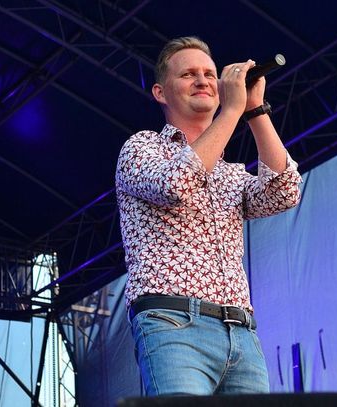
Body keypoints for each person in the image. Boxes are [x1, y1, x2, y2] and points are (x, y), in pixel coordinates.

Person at [115, 36, 302, 396]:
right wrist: (231, 112)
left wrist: (254, 110)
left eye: (209, 74)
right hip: (173, 323)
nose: (202, 80)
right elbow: (174, 184)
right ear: (160, 92)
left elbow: (285, 193)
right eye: (188, 74)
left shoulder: (230, 172)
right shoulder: (141, 148)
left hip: (241, 332)